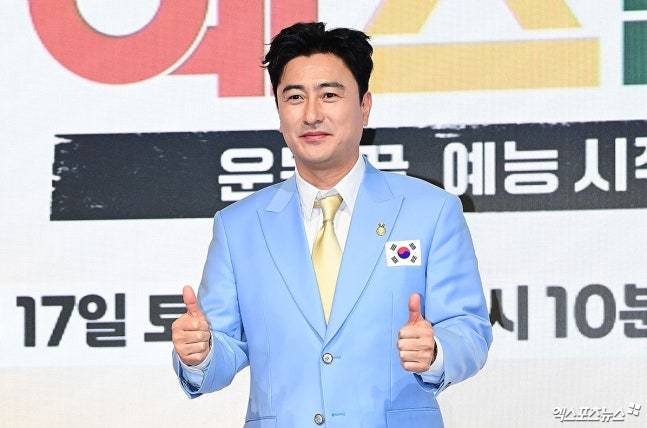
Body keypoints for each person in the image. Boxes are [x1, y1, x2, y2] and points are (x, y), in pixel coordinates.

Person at [172, 22, 492, 427]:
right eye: (295, 97)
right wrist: (199, 353)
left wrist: (435, 352)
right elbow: (223, 348)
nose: (311, 114)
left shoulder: (430, 211)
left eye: (329, 95)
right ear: (279, 111)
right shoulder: (239, 227)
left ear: (364, 106)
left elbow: (469, 329)